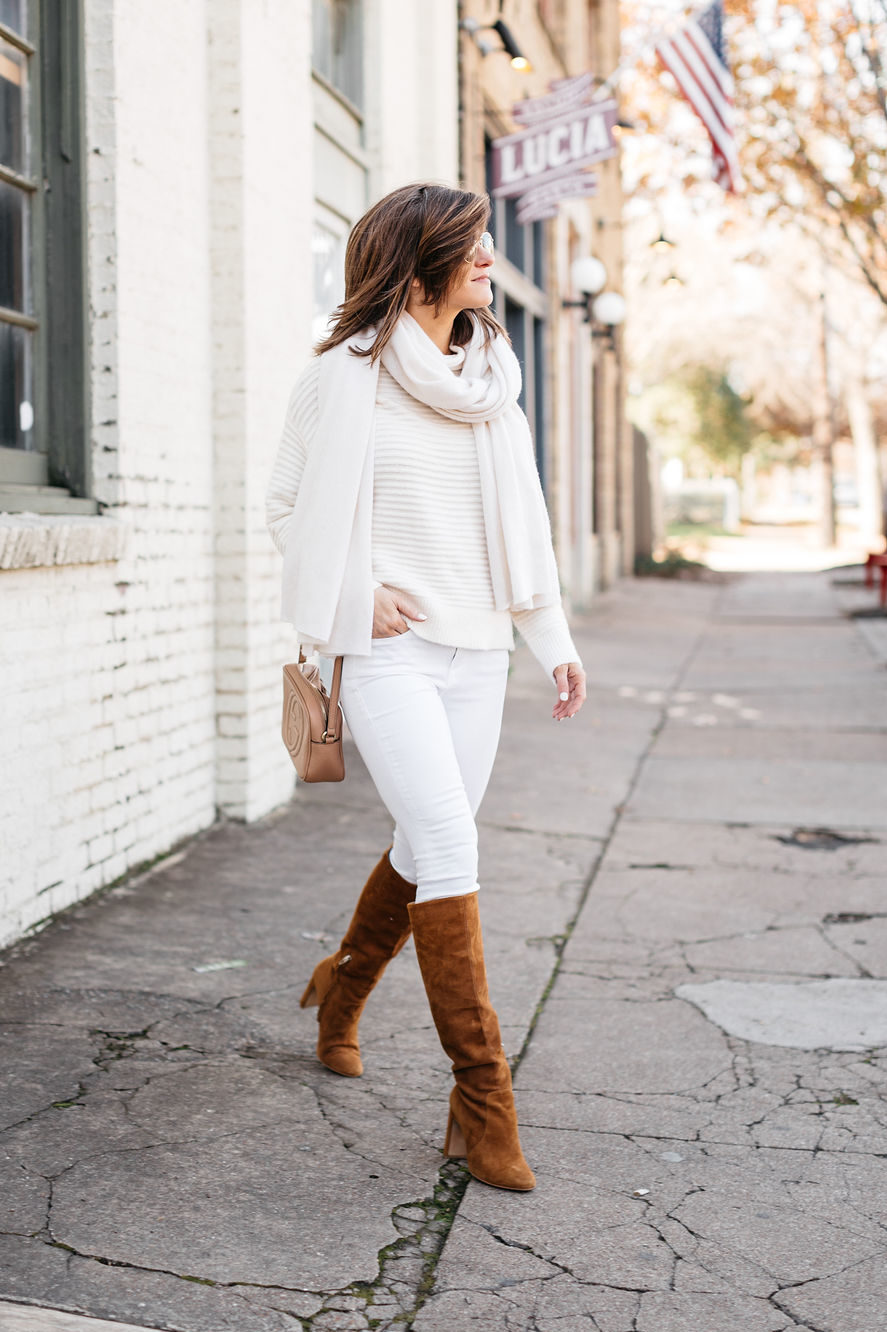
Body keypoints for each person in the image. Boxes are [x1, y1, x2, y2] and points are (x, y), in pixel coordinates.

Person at [266, 183, 586, 1193]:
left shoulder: (491, 378)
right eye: (474, 246)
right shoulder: (341, 379)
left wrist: (551, 635)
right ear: (418, 267)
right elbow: (285, 507)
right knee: (449, 842)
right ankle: (481, 1103)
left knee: (421, 841)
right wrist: (356, 596)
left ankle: (341, 992)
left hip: (478, 652)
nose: (489, 260)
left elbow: (522, 519)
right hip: (391, 655)